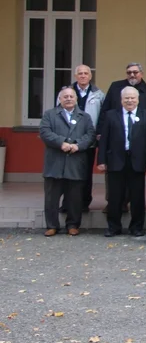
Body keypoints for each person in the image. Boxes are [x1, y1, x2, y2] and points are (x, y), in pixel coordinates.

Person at [97, 86, 146, 237]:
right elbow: (104, 140)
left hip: (138, 162)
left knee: (137, 197)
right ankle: (113, 227)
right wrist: (101, 160)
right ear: (121, 100)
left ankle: (136, 227)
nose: (130, 101)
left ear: (138, 99)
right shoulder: (111, 115)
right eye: (126, 98)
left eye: (132, 98)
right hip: (116, 160)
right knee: (115, 196)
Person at [40, 87, 96, 236]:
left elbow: (90, 135)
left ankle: (73, 225)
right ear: (60, 99)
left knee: (75, 198)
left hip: (76, 163)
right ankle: (52, 225)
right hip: (54, 163)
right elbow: (45, 133)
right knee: (51, 198)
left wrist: (77, 145)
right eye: (65, 96)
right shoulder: (49, 115)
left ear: (76, 99)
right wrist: (62, 143)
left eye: (72, 96)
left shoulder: (85, 117)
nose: (69, 98)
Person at [58, 65, 105, 213]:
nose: (83, 76)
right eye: (80, 73)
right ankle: (67, 203)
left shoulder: (98, 94)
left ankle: (84, 203)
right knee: (67, 173)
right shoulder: (66, 93)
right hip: (69, 139)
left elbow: (102, 117)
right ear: (75, 76)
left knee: (85, 173)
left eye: (86, 73)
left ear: (90, 76)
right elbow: (57, 114)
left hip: (88, 140)